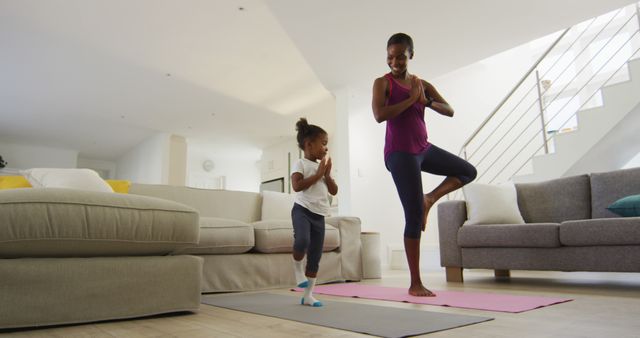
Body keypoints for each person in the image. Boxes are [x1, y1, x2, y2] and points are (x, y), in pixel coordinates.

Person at [371, 33, 477, 297]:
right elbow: (379, 115)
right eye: (390, 56)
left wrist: (426, 101)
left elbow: (449, 110)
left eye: (400, 56)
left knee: (467, 170)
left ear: (411, 55)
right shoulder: (382, 83)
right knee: (413, 215)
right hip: (399, 153)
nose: (394, 61)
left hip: (423, 148)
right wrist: (410, 101)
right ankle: (415, 283)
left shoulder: (422, 84)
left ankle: (430, 198)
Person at [290, 117, 338, 307]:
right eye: (323, 144)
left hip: (319, 215)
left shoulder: (322, 168)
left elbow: (334, 191)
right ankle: (296, 268)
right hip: (302, 210)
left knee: (315, 257)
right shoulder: (300, 164)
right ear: (309, 144)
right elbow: (297, 186)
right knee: (302, 240)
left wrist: (326, 175)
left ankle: (308, 295)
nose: (326, 148)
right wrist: (318, 174)